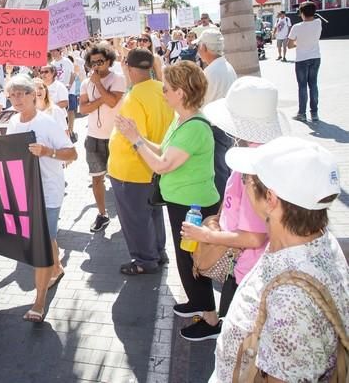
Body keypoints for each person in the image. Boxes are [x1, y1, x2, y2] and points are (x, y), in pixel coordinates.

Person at [210, 137, 347, 382]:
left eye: (247, 180)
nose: (244, 183)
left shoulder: (291, 301)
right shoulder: (308, 239)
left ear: (271, 199)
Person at [177, 77, 287, 341]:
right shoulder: (269, 153)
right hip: (259, 268)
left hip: (249, 271)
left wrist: (206, 236)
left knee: (241, 342)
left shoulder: (252, 168)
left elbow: (255, 237)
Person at [115, 61, 220, 326]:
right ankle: (196, 303)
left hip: (193, 206)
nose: (163, 93)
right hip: (181, 203)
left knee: (196, 261)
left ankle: (209, 319)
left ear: (181, 93)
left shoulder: (195, 126)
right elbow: (164, 149)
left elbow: (162, 164)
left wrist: (136, 140)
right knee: (185, 260)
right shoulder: (181, 119)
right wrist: (136, 135)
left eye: (167, 89)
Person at [0, 75, 77, 322]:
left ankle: (39, 300)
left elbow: (72, 153)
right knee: (48, 237)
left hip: (49, 193)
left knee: (41, 244)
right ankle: (58, 267)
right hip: (25, 195)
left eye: (22, 93)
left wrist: (48, 151)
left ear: (34, 95)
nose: (17, 99)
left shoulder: (48, 123)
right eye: (12, 95)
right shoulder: (12, 124)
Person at [109, 49, 174, 273]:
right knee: (153, 213)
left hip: (132, 170)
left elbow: (136, 136)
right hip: (154, 166)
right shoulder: (161, 88)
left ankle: (145, 260)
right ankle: (158, 252)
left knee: (136, 220)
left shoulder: (135, 96)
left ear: (128, 67)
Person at [79, 43, 126, 233]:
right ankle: (102, 214)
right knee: (97, 178)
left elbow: (114, 101)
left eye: (100, 61)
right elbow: (83, 109)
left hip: (116, 137)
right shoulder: (84, 83)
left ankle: (126, 214)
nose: (97, 65)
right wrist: (100, 99)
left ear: (109, 61)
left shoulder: (118, 79)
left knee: (120, 180)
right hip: (93, 137)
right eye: (93, 62)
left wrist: (98, 86)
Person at [196, 29, 236, 199]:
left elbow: (200, 101)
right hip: (226, 126)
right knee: (225, 169)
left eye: (199, 46)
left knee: (219, 171)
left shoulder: (211, 72)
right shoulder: (226, 67)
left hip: (215, 127)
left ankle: (222, 208)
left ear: (204, 47)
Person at [287, 0, 322, 123]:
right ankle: (314, 114)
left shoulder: (296, 27)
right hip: (315, 57)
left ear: (301, 13)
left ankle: (302, 113)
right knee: (313, 85)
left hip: (301, 59)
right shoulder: (318, 23)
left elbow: (290, 45)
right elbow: (315, 18)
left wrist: (299, 43)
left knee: (302, 86)